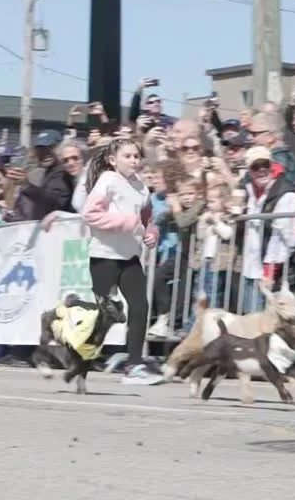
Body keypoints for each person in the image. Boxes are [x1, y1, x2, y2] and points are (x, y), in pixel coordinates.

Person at [82, 137, 161, 385]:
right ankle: (78, 356)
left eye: (136, 156)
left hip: (129, 257)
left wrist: (152, 233)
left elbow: (148, 219)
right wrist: (127, 223)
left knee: (140, 306)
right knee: (104, 315)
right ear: (113, 160)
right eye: (127, 156)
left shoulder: (142, 187)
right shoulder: (108, 180)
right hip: (104, 255)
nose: (133, 161)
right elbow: (90, 213)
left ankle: (134, 365)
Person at [237, 147, 295, 313]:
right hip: (250, 268)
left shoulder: (286, 194)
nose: (261, 170)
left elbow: (283, 238)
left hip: (276, 272)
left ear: (272, 165)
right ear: (249, 170)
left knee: (275, 321)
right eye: (255, 167)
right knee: (253, 321)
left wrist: (269, 272)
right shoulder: (247, 190)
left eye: (265, 165)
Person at [148, 177, 205, 338]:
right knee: (159, 275)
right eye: (182, 194)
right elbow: (161, 219)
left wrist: (175, 207)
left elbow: (184, 222)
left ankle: (176, 324)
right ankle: (164, 316)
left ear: (198, 194)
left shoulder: (200, 205)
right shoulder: (181, 208)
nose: (186, 198)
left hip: (197, 257)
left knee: (183, 290)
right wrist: (166, 212)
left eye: (190, 193)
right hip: (184, 254)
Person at [12, 130, 74, 221]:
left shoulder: (62, 173)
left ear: (60, 148)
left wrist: (26, 185)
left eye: (50, 148)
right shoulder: (49, 171)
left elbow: (54, 202)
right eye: (40, 150)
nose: (45, 153)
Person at [248, 111, 295, 191]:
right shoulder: (288, 156)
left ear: (270, 137)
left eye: (254, 134)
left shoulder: (275, 161)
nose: (250, 138)